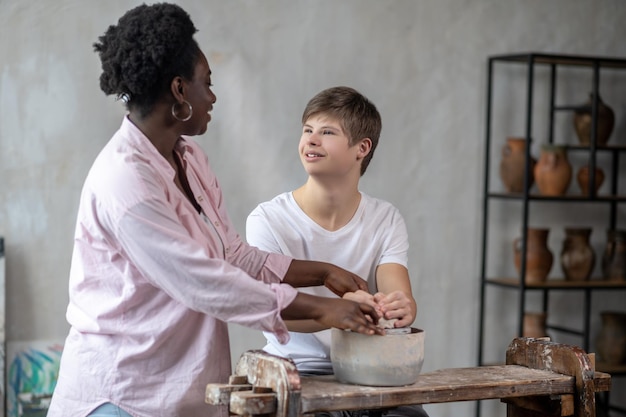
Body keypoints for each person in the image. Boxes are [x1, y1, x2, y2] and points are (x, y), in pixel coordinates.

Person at [46, 6, 384, 417]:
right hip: (123, 394)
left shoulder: (190, 160)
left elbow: (233, 256)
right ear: (179, 90)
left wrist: (323, 272)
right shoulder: (126, 183)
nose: (213, 96)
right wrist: (325, 309)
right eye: (207, 83)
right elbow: (205, 284)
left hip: (178, 392)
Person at [246, 86, 428, 417]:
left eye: (327, 132)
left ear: (362, 148)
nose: (311, 140)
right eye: (307, 130)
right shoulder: (268, 219)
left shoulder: (385, 218)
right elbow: (268, 308)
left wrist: (402, 306)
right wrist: (338, 309)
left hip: (371, 370)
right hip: (293, 371)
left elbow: (395, 290)